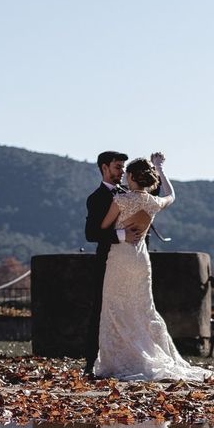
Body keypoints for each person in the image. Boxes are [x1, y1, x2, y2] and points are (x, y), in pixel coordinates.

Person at [93, 153, 214, 381]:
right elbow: (171, 195)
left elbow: (102, 228)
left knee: (116, 308)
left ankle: (119, 360)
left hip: (119, 259)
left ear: (130, 176)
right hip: (141, 261)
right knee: (144, 309)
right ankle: (149, 354)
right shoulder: (153, 202)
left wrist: (121, 233)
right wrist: (160, 168)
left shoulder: (121, 200)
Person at [84, 151, 147, 378]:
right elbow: (91, 234)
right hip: (108, 262)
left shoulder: (129, 193)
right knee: (101, 311)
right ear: (104, 168)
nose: (122, 172)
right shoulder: (96, 198)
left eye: (123, 168)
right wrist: (122, 236)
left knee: (131, 311)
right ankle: (91, 363)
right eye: (118, 167)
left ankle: (128, 361)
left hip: (131, 263)